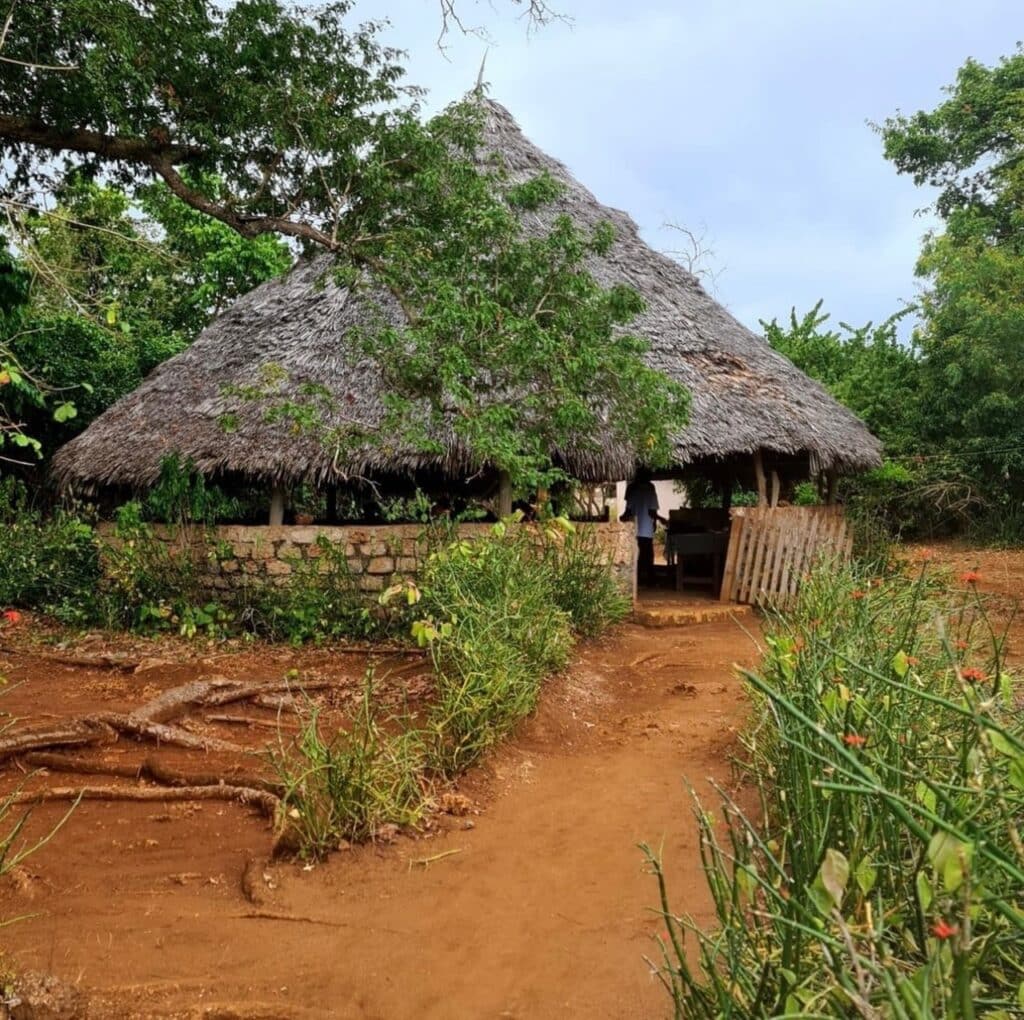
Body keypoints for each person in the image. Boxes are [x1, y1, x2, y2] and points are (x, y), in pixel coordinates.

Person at [620, 470, 659, 585]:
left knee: (637, 554)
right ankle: (648, 580)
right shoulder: (651, 490)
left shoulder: (632, 490)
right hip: (646, 528)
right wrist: (658, 521)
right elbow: (652, 511)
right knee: (648, 555)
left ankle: (637, 579)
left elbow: (628, 511)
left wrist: (622, 519)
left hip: (633, 528)